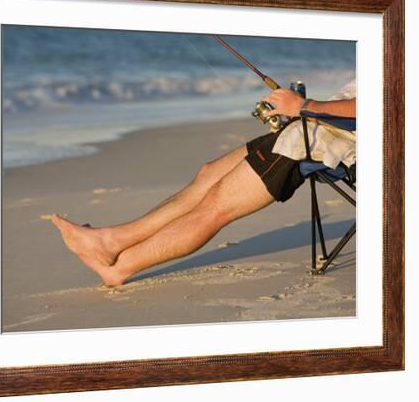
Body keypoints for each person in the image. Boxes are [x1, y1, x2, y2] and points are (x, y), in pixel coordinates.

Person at [51, 81, 356, 287]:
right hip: (317, 125)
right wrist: (301, 107)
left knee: (217, 206)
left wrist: (305, 104)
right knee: (208, 174)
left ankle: (119, 268)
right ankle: (111, 242)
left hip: (319, 142)